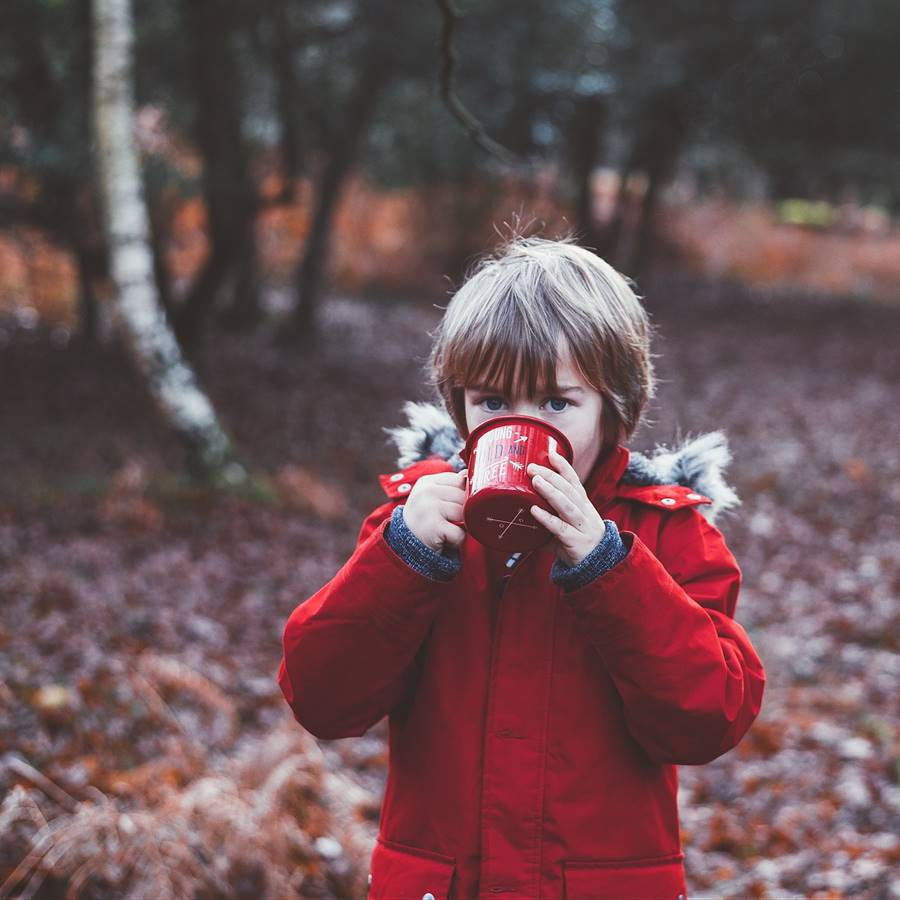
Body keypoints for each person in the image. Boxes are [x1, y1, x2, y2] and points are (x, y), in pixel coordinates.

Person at [277, 234, 766, 900]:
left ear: (614, 405)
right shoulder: (417, 523)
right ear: (460, 405)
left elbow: (708, 717)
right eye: (492, 402)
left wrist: (607, 567)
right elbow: (321, 697)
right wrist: (405, 556)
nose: (521, 423)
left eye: (557, 403)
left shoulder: (664, 532)